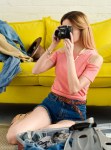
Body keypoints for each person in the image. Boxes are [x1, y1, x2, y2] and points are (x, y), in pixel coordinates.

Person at [6, 11, 103, 145]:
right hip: (52, 103)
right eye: (63, 28)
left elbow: (74, 88)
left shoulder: (95, 58)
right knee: (12, 137)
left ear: (82, 29)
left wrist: (70, 56)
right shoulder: (60, 52)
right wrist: (52, 45)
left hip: (74, 111)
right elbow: (35, 70)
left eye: (69, 28)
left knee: (43, 134)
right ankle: (29, 119)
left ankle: (33, 120)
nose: (65, 32)